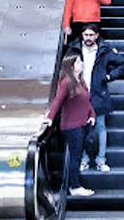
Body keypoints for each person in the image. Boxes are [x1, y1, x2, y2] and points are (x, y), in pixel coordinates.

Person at [66, 23, 124, 172]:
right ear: (82, 35)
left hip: (98, 94)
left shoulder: (104, 50)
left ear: (97, 36)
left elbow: (122, 63)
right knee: (81, 129)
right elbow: (65, 66)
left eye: (91, 35)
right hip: (79, 94)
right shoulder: (75, 49)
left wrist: (109, 76)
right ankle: (84, 160)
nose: (88, 38)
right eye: (86, 35)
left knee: (100, 128)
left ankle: (100, 160)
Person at [43, 54, 96, 197]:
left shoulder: (80, 81)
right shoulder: (66, 82)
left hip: (82, 125)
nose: (82, 63)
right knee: (75, 157)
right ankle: (75, 186)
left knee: (76, 156)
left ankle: (74, 185)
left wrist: (92, 115)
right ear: (71, 67)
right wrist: (50, 118)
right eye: (78, 62)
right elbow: (57, 101)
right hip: (72, 127)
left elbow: (86, 101)